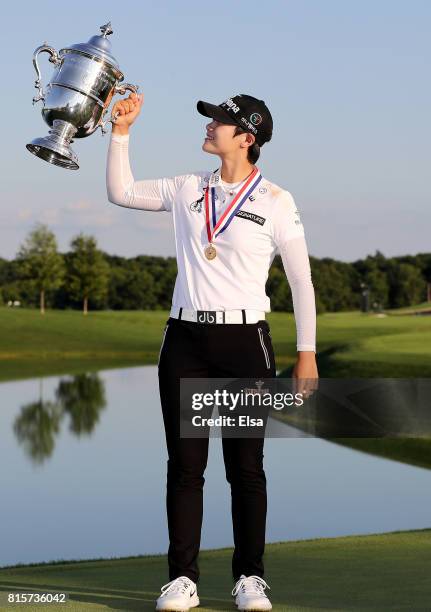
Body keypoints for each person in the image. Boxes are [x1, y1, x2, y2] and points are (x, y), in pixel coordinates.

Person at [106, 91, 318, 611]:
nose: (209, 127)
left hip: (246, 343)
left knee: (245, 468)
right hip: (186, 342)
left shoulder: (276, 200)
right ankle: (182, 580)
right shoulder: (186, 188)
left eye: (219, 121)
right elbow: (121, 192)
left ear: (246, 138)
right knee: (185, 467)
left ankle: (249, 578)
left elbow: (301, 280)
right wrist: (121, 132)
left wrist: (307, 351)